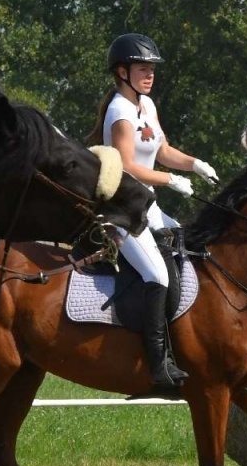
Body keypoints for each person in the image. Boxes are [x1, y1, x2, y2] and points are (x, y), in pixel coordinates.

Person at [87, 32, 218, 397]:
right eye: (143, 69)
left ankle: (189, 346)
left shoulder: (146, 105)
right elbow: (128, 166)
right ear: (122, 71)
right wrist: (170, 180)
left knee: (192, 250)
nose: (150, 74)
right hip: (123, 212)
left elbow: (162, 150)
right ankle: (157, 365)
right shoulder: (119, 111)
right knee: (157, 275)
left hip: (148, 207)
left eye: (152, 69)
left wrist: (194, 164)